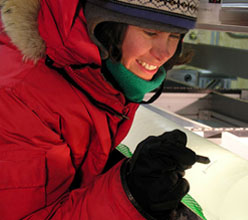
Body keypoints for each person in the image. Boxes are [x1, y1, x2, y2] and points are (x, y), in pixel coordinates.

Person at [0, 0, 201, 219]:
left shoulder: (96, 82)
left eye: (175, 36)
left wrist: (114, 172)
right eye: (150, 32)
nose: (164, 54)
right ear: (104, 26)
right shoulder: (24, 100)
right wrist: (132, 195)